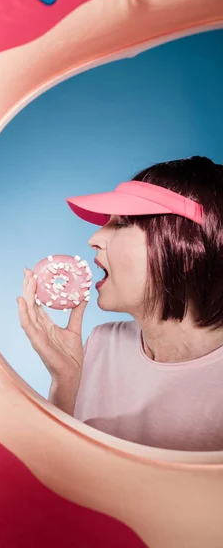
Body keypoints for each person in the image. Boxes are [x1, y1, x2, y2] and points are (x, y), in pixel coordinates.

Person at [17, 156, 223, 451]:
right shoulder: (103, 344)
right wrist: (66, 383)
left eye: (123, 224)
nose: (94, 238)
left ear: (188, 249)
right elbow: (59, 477)